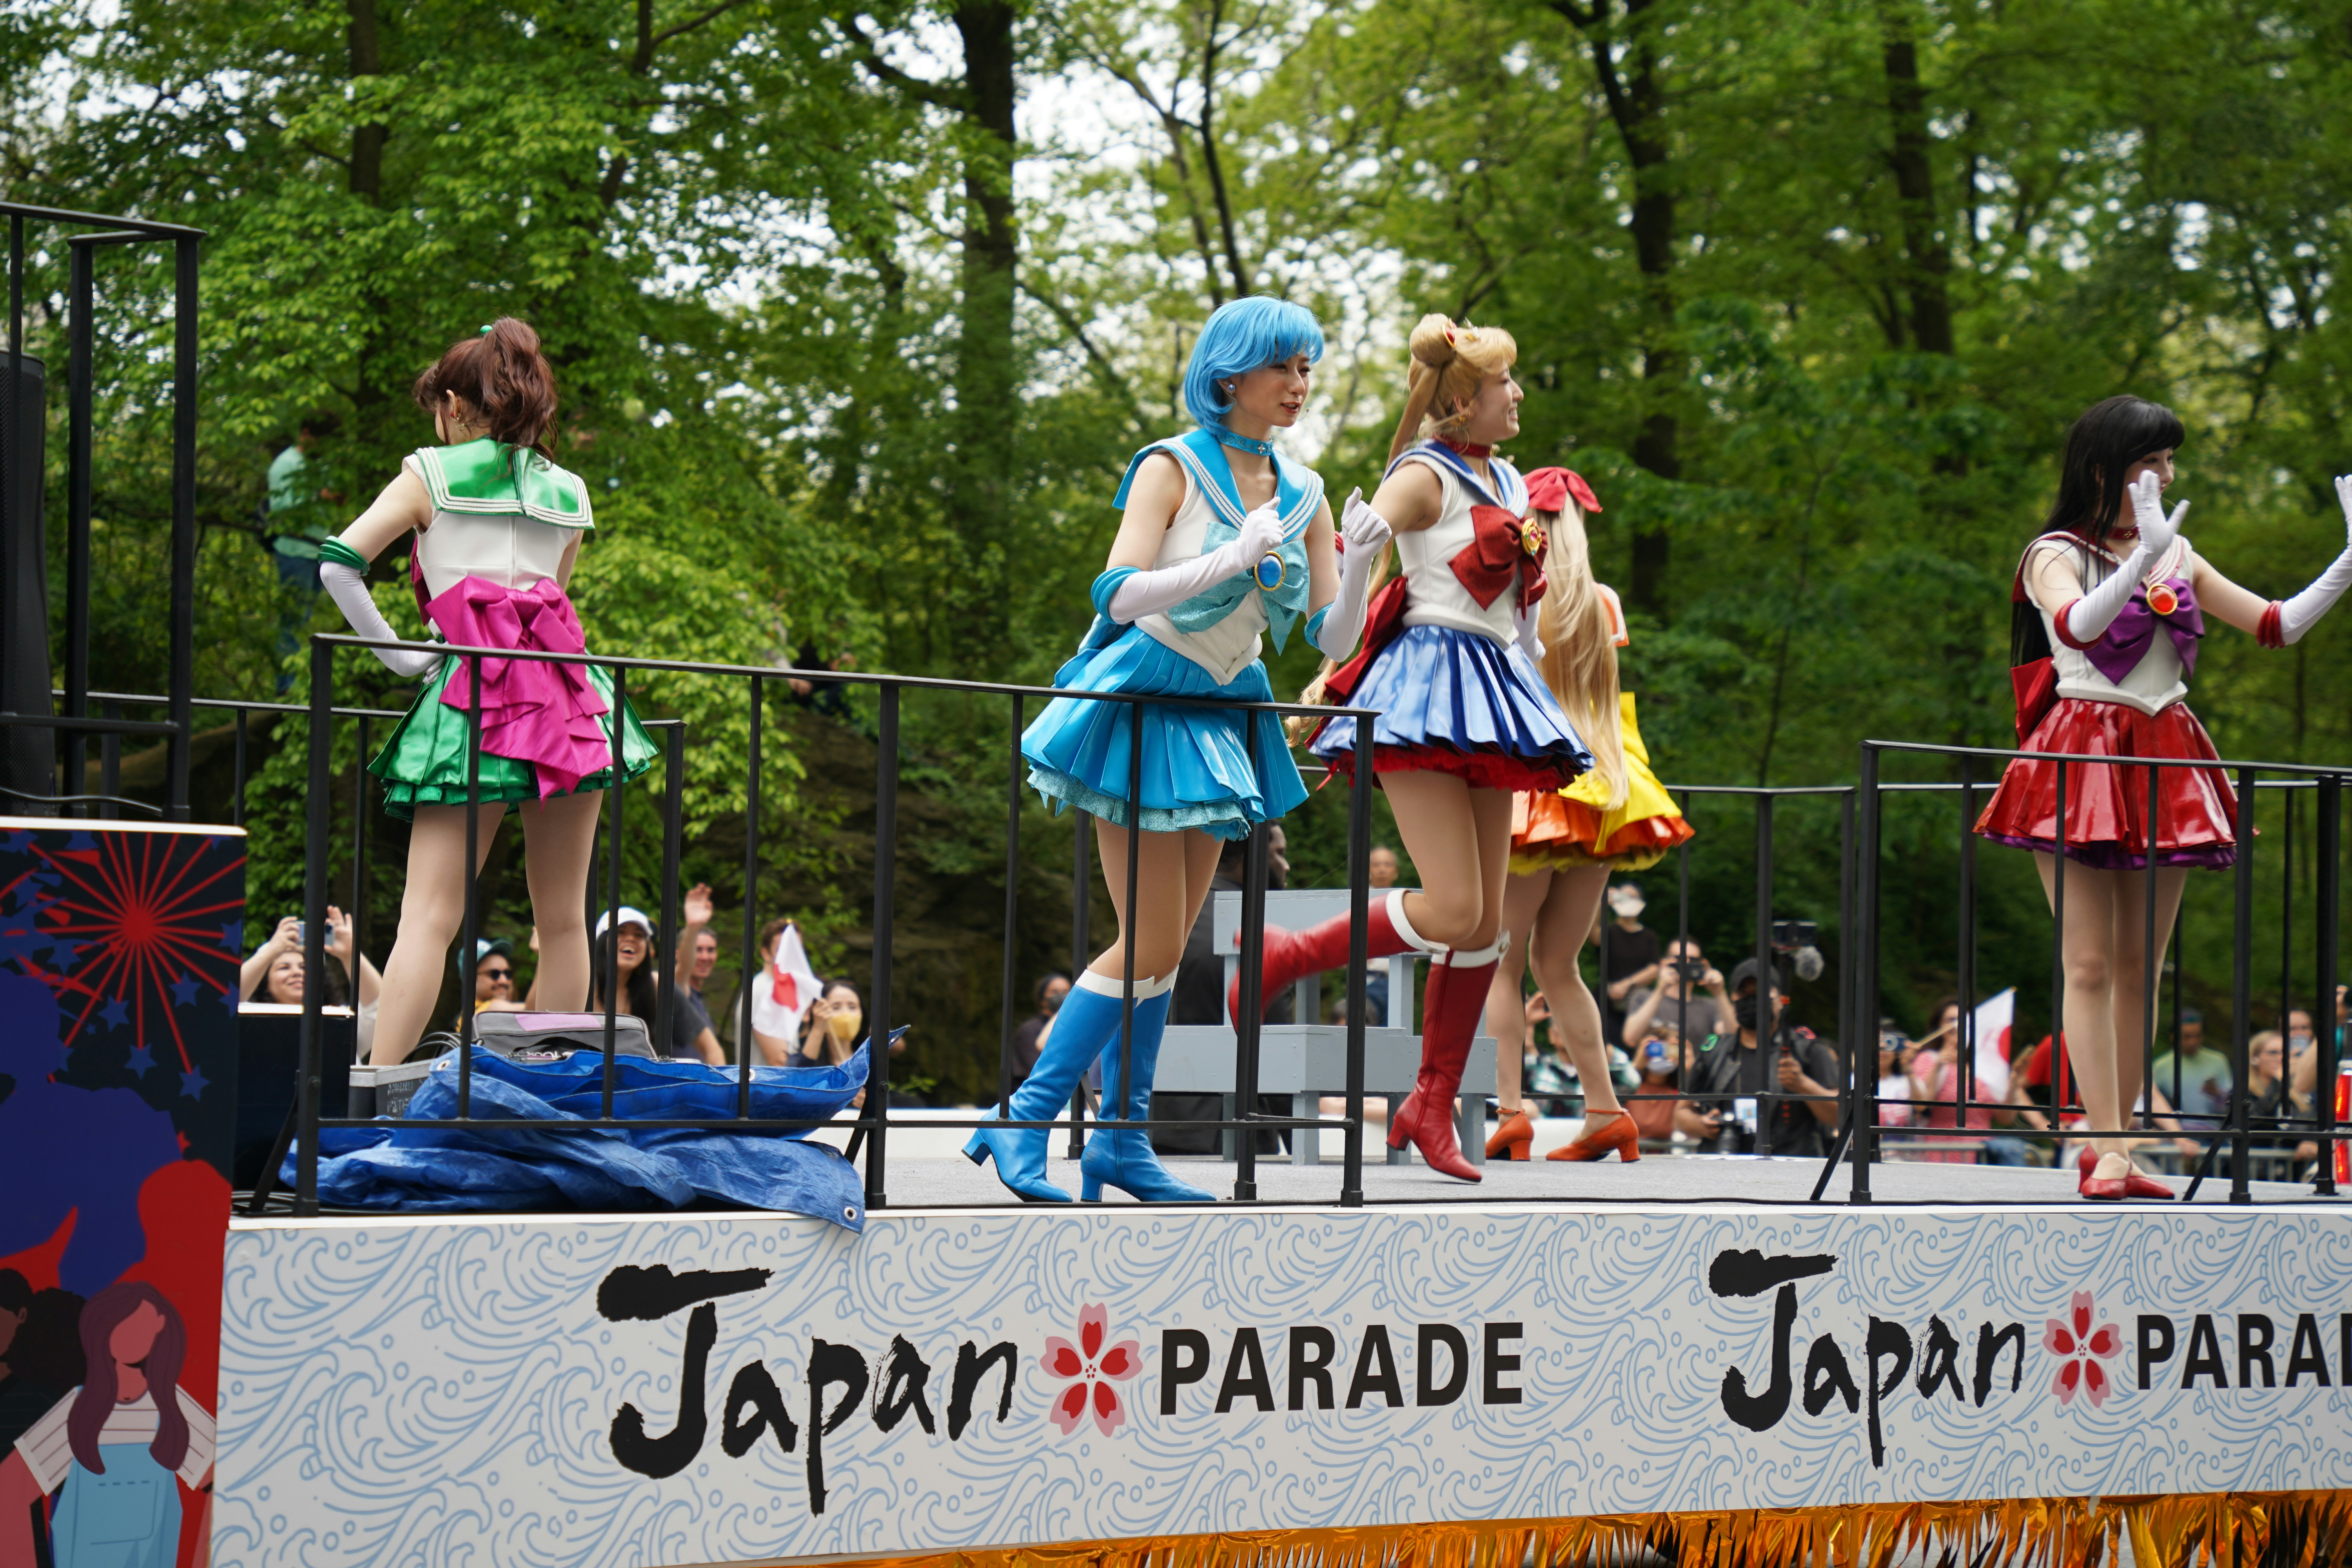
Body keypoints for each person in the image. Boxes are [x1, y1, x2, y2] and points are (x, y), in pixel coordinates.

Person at [973, 296, 1360, 1205]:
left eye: (1306, 368)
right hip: (1147, 698)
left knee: (1167, 952)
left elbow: (1331, 638)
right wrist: (1232, 556)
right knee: (1148, 941)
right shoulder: (1170, 465)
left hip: (1225, 711)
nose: (1298, 384)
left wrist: (1365, 564)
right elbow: (1117, 593)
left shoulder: (1304, 491)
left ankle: (1121, 1143)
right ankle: (1024, 1117)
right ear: (1229, 374)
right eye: (1282, 366)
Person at [1974, 395, 2352, 1199]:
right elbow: (2075, 627)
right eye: (2152, 461)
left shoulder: (2176, 549)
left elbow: (2277, 624)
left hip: (2166, 752)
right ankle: (2108, 1144)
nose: (2168, 475)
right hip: (2080, 749)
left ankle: (2120, 1144)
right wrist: (2144, 559)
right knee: (2087, 960)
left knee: (2142, 966)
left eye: (2171, 460)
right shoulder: (2053, 552)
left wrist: (2349, 562)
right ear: (2103, 469)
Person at [1262, 314, 1593, 1183]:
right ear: (1462, 399)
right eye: (1504, 382)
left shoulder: (1509, 477)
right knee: (1454, 909)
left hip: (1494, 687)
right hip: (1423, 685)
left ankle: (1431, 1103)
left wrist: (1539, 691)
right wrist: (1359, 549)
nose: (1517, 394)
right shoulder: (1422, 474)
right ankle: (1289, 955)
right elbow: (1348, 595)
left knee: (1485, 924)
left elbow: (1518, 612)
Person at [319, 319, 654, 1068]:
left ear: (452, 404)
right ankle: (547, 1089)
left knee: (429, 917)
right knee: (563, 919)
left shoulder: (429, 474)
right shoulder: (569, 490)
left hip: (473, 696)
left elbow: (339, 563)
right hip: (569, 698)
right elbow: (554, 602)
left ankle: (376, 1090)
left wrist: (403, 659)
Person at [1476, 463, 1693, 1163]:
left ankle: (1511, 1112)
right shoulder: (1605, 603)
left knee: (1501, 962)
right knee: (1558, 964)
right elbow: (1607, 704)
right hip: (1603, 786)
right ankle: (1605, 1110)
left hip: (1535, 782)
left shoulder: (1515, 590)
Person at [0, 1282, 214, 1568]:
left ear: (161, 1325)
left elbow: (225, 1483)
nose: (130, 1333)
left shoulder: (173, 1409)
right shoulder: (76, 1412)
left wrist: (204, 1561)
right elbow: (9, 1490)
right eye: (121, 1322)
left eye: (139, 1322)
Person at [1682, 959, 1841, 1158]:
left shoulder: (1809, 1051)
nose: (1752, 1000)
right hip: (1725, 1167)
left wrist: (1803, 1085)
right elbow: (1681, 1113)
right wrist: (1701, 1125)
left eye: (1761, 992)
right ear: (1733, 999)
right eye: (1744, 993)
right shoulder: (1714, 1052)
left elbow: (1841, 1117)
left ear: (1781, 999)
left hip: (1791, 1166)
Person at [1620, 938, 1733, 1046]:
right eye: (1680, 959)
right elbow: (1630, 1039)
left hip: (1694, 1061)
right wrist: (1660, 990)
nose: (1686, 964)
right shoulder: (1643, 997)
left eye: (1693, 960)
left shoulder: (1710, 1006)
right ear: (1664, 964)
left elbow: (1732, 1036)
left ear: (1702, 965)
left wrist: (1720, 993)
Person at [1593, 883, 1667, 1047]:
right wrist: (1601, 903)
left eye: (1632, 897)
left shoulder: (1649, 936)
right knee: (1604, 1046)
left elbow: (1654, 969)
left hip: (1638, 1005)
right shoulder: (1610, 931)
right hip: (1606, 1003)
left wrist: (1627, 984)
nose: (1628, 901)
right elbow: (1593, 934)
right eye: (1623, 896)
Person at [1624, 1022, 1721, 1145]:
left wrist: (1692, 1071)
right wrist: (1636, 1066)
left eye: (1670, 1050)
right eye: (1658, 1049)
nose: (1664, 1056)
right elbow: (1613, 1097)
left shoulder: (1678, 1094)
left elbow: (1700, 1113)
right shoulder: (1630, 1088)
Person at [669, 885, 724, 1065]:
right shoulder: (677, 990)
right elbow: (683, 970)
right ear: (679, 954)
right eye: (698, 950)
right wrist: (693, 928)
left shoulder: (699, 1000)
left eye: (711, 950)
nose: (705, 957)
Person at [2150, 1009, 2232, 1129]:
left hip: (2214, 1131)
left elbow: (2230, 1105)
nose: (2193, 1042)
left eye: (2197, 1036)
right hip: (2178, 1132)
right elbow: (2154, 1103)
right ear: (2173, 1037)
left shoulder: (2218, 1061)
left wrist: (2217, 1095)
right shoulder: (2160, 1066)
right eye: (2186, 1037)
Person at [1009, 972, 1071, 1084]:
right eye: (1055, 992)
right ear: (1043, 1000)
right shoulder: (1030, 1030)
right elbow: (1036, 1069)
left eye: (1066, 992)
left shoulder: (1069, 1027)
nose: (1061, 996)